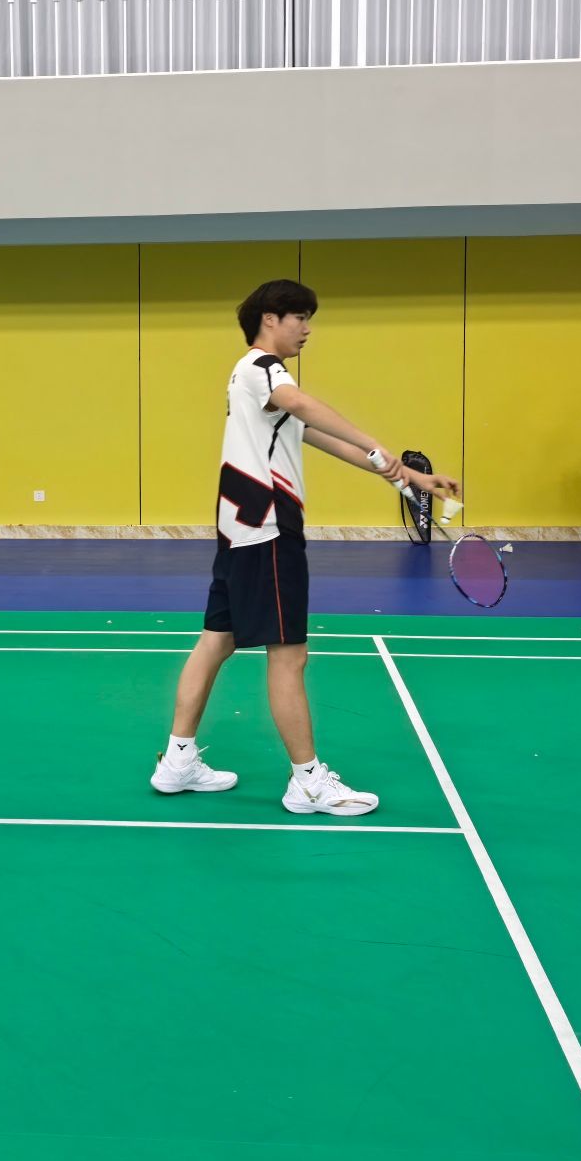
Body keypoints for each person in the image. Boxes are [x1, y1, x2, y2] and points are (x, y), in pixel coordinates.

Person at [149, 279, 457, 816]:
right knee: (290, 655)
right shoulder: (262, 369)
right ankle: (308, 781)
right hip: (269, 529)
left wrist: (409, 477)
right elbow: (307, 406)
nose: (308, 329)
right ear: (270, 318)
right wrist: (378, 444)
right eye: (301, 317)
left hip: (240, 530)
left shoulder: (253, 383)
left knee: (216, 640)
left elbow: (324, 438)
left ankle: (177, 761)